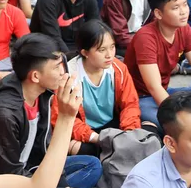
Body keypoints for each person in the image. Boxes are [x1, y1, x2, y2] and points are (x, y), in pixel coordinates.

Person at [0, 33, 111, 188]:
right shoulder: (4, 115)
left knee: (91, 165)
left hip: (31, 169)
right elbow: (9, 177)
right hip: (6, 187)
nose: (63, 72)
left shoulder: (43, 93)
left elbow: (47, 150)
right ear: (35, 76)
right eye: (56, 67)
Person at [60, 21, 141, 152]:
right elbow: (64, 118)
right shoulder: (68, 76)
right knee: (76, 148)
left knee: (149, 127)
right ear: (85, 52)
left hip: (114, 125)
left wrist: (129, 133)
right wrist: (97, 138)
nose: (109, 54)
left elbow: (130, 104)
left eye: (112, 47)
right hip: (87, 132)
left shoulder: (119, 69)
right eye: (102, 50)